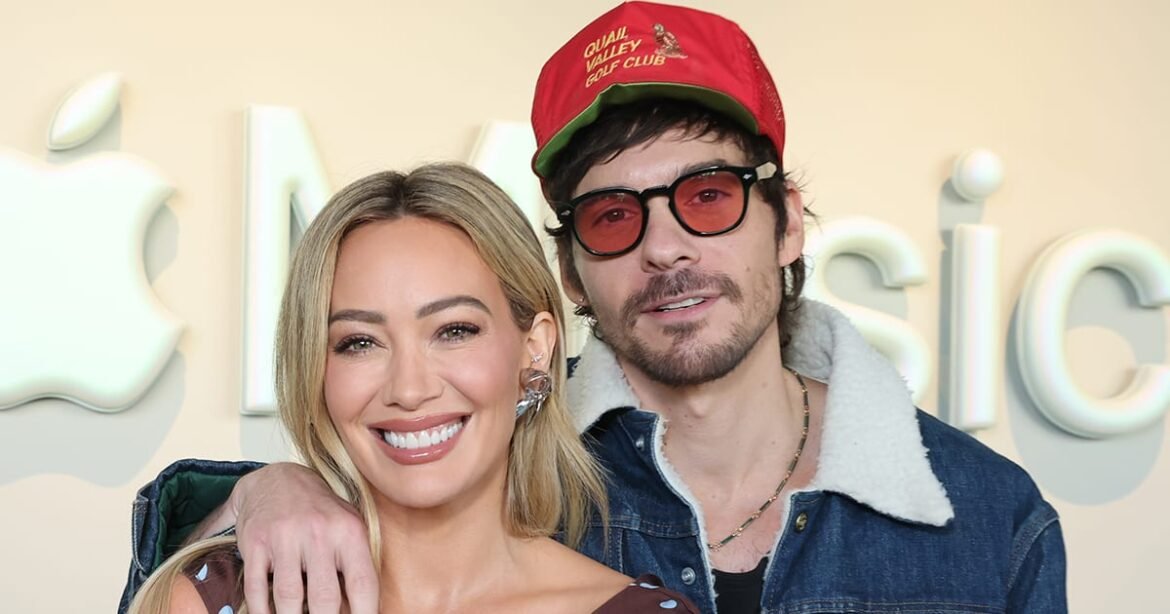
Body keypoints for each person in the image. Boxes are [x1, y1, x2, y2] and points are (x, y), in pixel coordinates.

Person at [120, 3, 1067, 613]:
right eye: (614, 216)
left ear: (787, 221)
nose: (666, 248)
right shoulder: (497, 456)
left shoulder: (989, 518)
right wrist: (264, 491)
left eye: (708, 197)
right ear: (570, 275)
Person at [125, 163, 698, 613]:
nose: (409, 388)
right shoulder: (219, 598)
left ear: (535, 347)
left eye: (454, 331)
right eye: (359, 342)